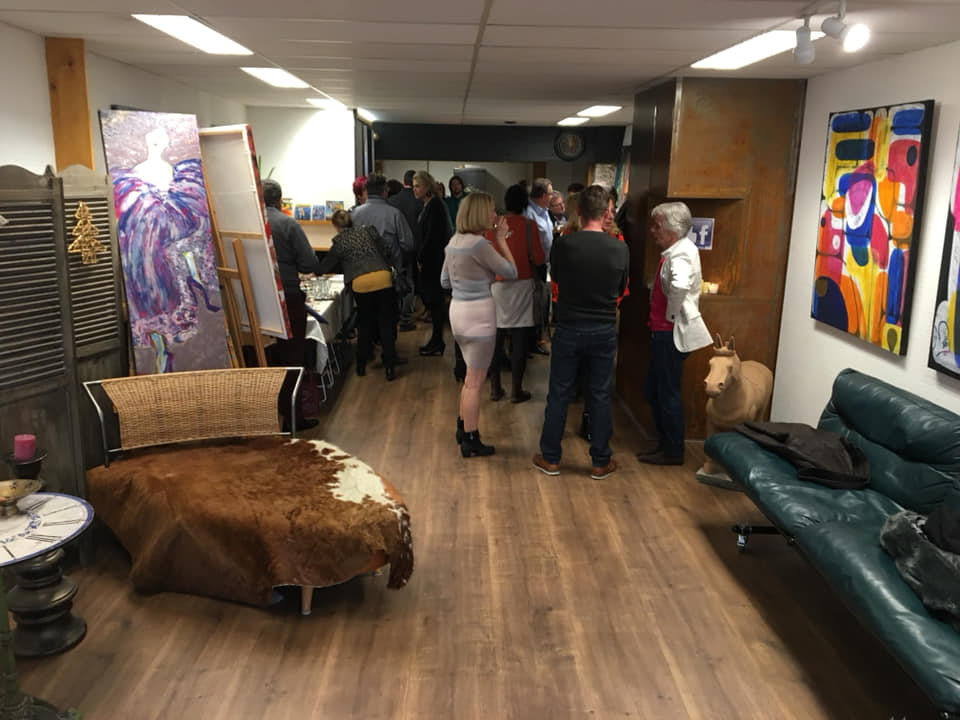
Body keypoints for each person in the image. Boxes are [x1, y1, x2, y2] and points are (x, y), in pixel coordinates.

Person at [533, 185, 629, 479]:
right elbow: (620, 288)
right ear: (606, 212)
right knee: (599, 395)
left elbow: (557, 277)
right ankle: (600, 460)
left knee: (559, 393)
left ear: (578, 211)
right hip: (603, 327)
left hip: (569, 326)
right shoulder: (620, 248)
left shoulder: (564, 244)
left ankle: (550, 457)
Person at [442, 192, 517, 457]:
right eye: (491, 210)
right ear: (480, 214)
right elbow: (511, 271)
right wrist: (501, 240)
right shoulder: (480, 245)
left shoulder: (453, 242)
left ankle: (463, 427)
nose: (495, 215)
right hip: (479, 316)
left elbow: (444, 281)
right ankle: (471, 439)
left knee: (468, 378)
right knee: (475, 382)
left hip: (457, 313)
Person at [638, 201, 713, 465]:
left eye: (657, 226)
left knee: (665, 392)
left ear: (672, 229)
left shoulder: (680, 253)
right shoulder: (678, 249)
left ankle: (672, 451)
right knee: (655, 390)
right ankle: (666, 445)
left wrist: (669, 316)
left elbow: (679, 287)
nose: (652, 230)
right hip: (663, 332)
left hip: (669, 334)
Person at [262, 178, 321, 430]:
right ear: (279, 199)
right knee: (292, 355)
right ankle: (292, 417)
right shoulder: (287, 223)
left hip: (251, 297)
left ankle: (262, 415)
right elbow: (309, 264)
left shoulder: (248, 223)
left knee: (261, 356)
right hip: (286, 295)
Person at [319, 210, 399, 381]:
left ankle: (361, 365)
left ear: (336, 226)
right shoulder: (369, 231)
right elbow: (386, 250)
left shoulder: (339, 241)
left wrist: (314, 271)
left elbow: (326, 266)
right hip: (383, 278)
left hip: (361, 283)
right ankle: (390, 367)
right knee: (386, 323)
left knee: (365, 324)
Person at [484, 184, 545, 403]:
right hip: (522, 283)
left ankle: (494, 388)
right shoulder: (529, 225)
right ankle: (516, 391)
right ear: (525, 203)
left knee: (495, 337)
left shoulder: (493, 226)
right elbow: (539, 258)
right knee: (519, 338)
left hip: (496, 284)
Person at [413, 170, 453, 356]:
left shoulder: (435, 205)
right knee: (434, 302)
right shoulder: (429, 204)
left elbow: (432, 236)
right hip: (431, 260)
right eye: (414, 186)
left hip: (434, 261)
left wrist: (421, 258)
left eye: (418, 186)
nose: (415, 189)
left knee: (436, 302)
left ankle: (437, 341)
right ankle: (436, 340)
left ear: (427, 187)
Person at [387, 170, 422, 331]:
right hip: (413, 248)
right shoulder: (419, 201)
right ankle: (405, 318)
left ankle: (393, 316)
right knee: (409, 283)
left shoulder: (392, 201)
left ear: (403, 182)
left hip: (394, 249)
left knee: (394, 282)